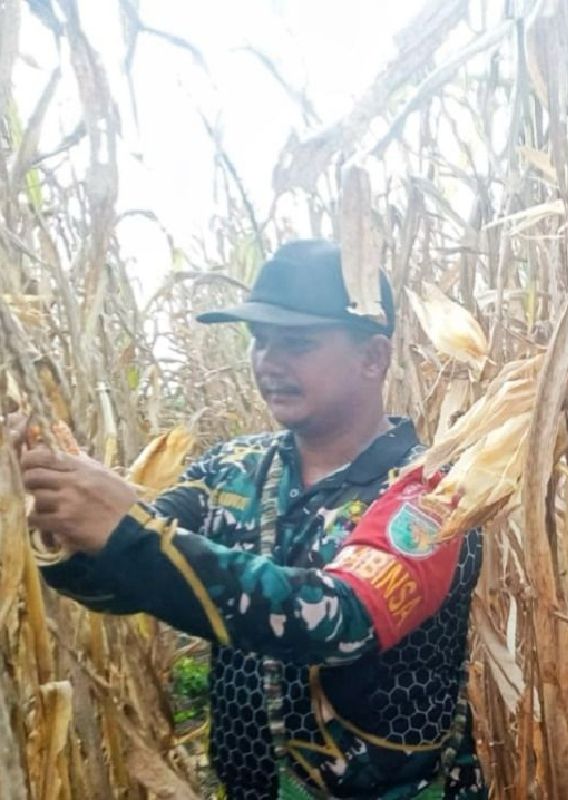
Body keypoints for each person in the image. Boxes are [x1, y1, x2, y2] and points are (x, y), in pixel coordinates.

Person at [14, 240, 485, 799]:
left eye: (296, 342)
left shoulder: (433, 490)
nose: (269, 361)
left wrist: (127, 532)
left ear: (373, 358)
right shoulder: (230, 467)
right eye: (259, 340)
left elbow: (339, 619)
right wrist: (55, 514)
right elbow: (121, 583)